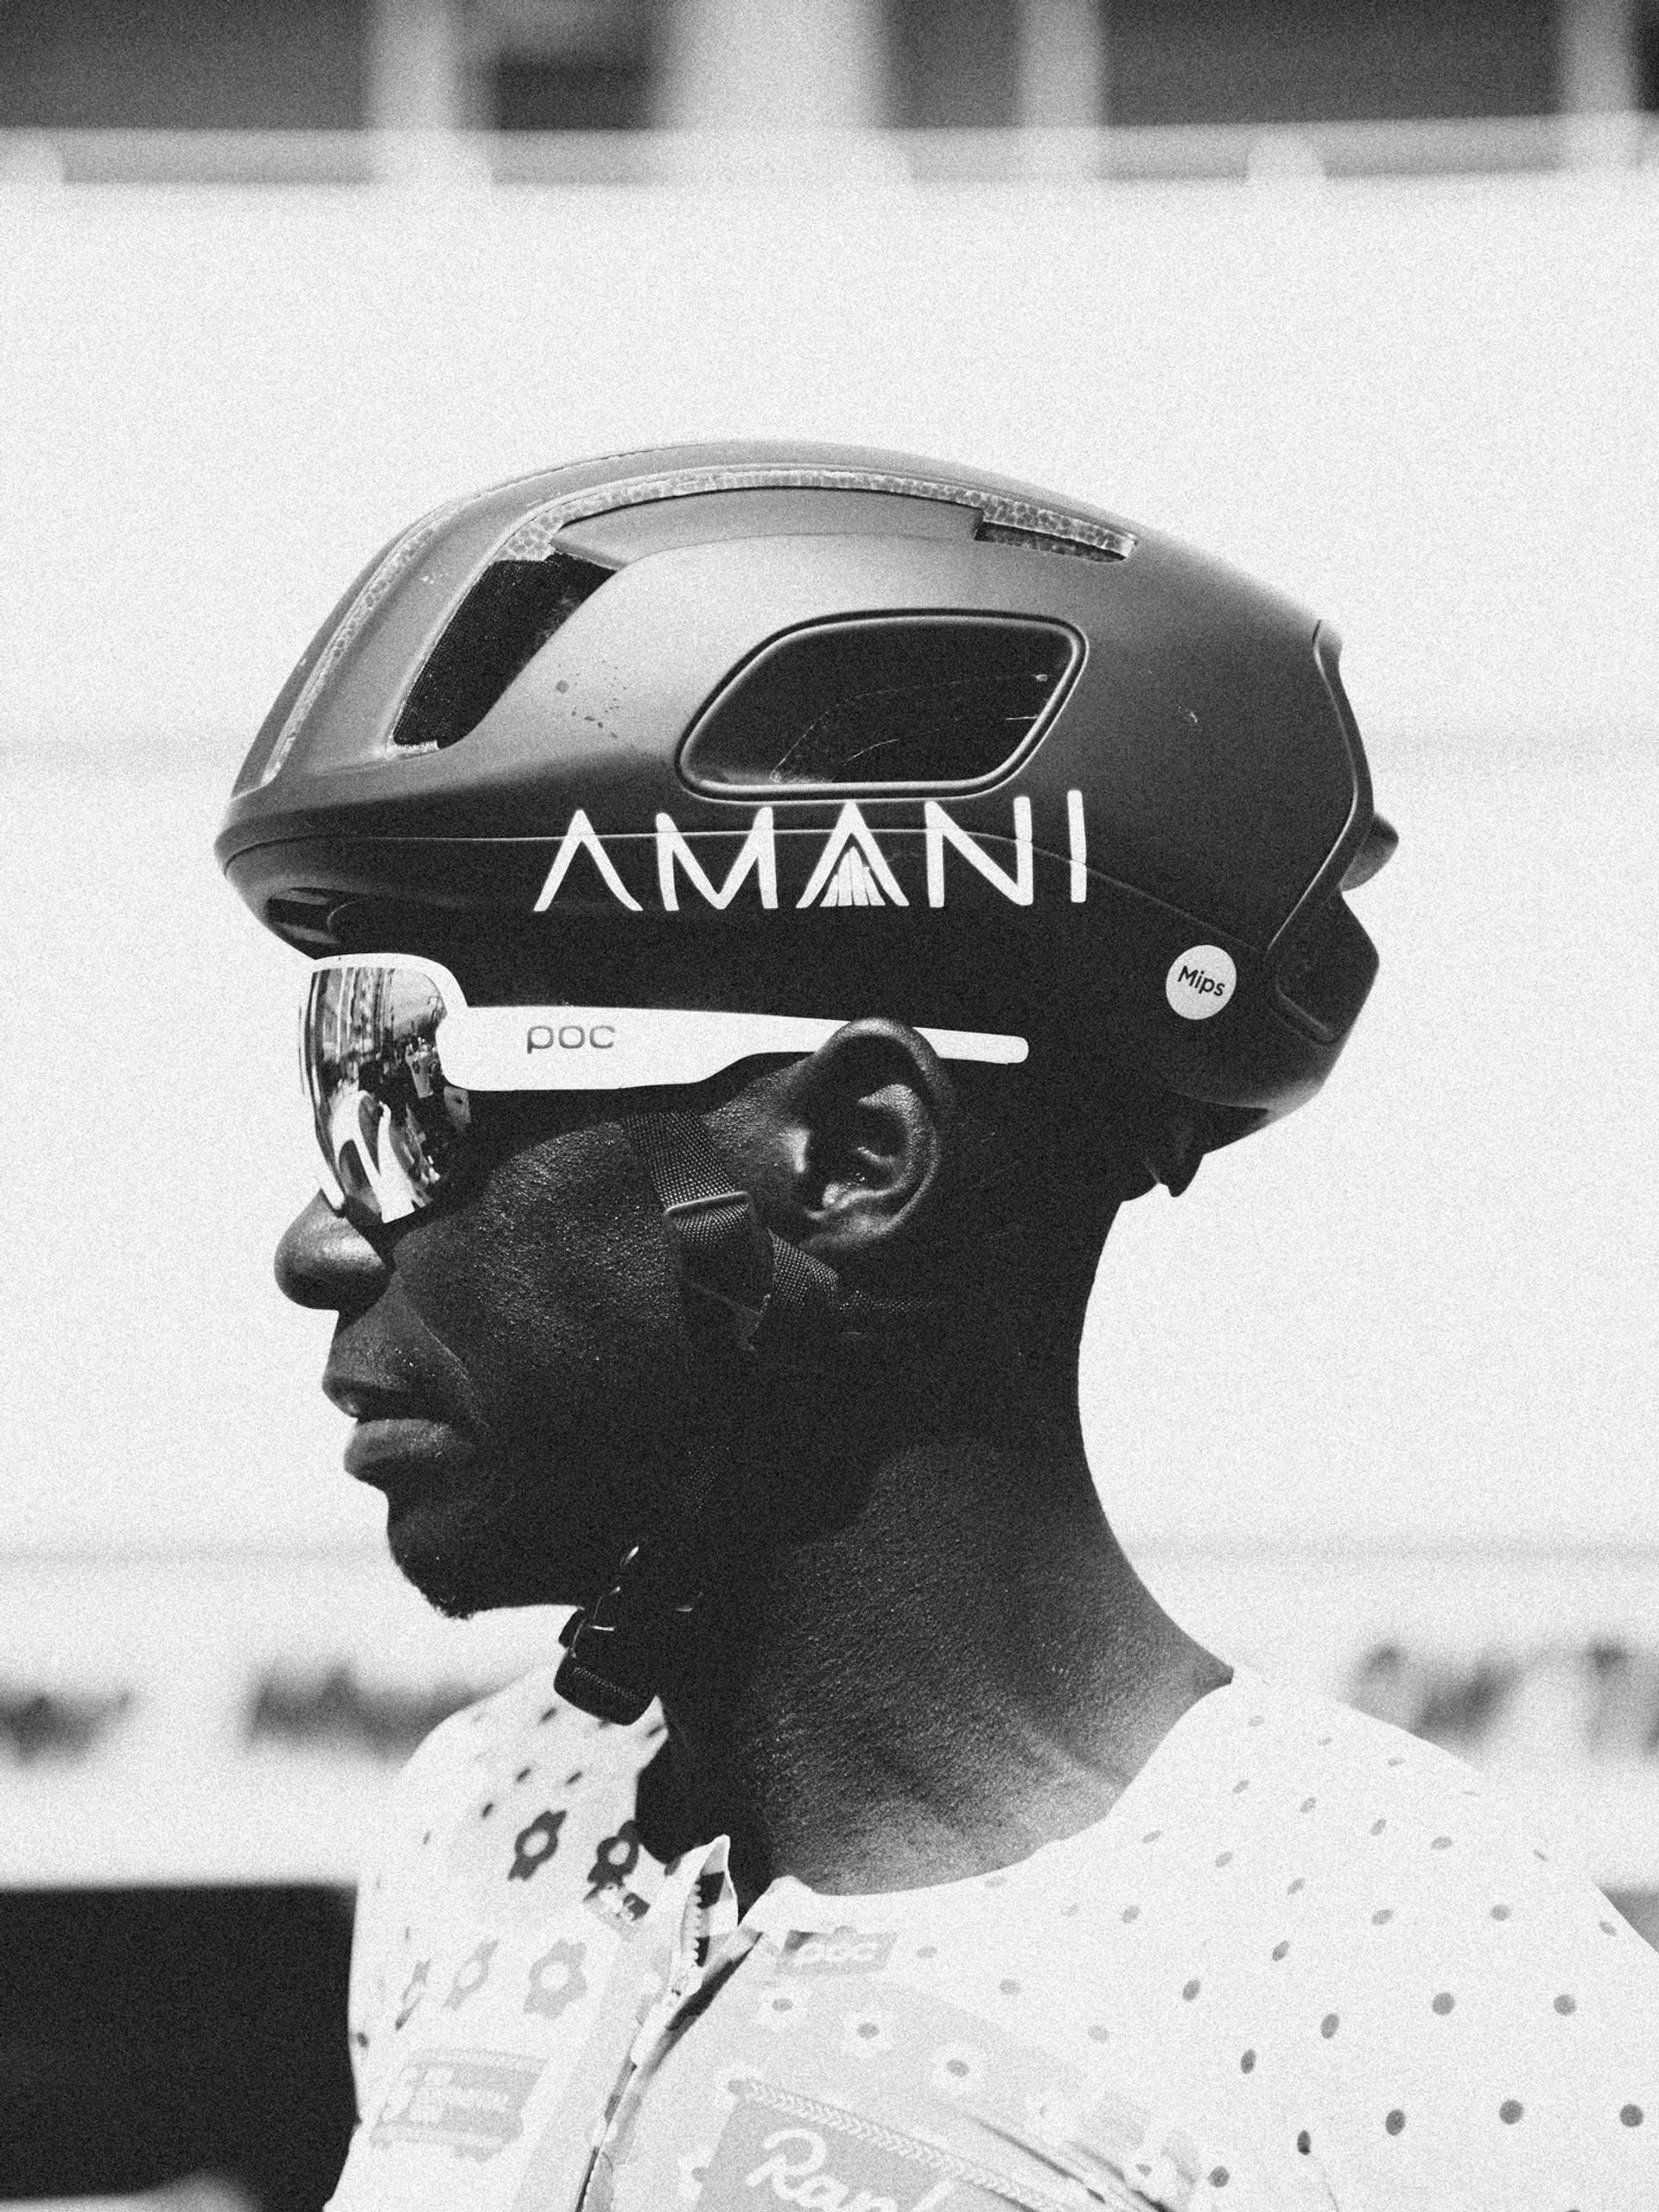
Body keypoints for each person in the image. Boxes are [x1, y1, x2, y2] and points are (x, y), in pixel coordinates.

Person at [222, 445, 1657, 2210]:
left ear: (852, 1155)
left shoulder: (1413, 1984)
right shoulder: (485, 1819)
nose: (318, 1236)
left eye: (401, 1089)